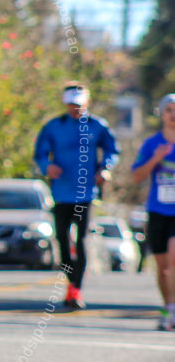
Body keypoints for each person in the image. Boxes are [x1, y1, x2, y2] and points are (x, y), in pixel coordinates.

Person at [33, 83, 119, 310]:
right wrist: (47, 166)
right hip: (61, 194)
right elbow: (40, 152)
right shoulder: (54, 127)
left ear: (87, 103)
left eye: (79, 105)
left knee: (80, 241)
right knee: (62, 239)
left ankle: (75, 289)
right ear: (65, 103)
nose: (75, 109)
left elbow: (111, 150)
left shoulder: (97, 126)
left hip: (85, 194)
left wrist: (105, 168)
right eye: (71, 105)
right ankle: (70, 279)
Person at [130, 93, 175, 331]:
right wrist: (155, 159)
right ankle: (168, 307)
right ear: (161, 113)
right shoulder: (152, 144)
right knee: (163, 266)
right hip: (158, 210)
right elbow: (136, 176)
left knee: (174, 255)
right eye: (169, 109)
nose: (173, 114)